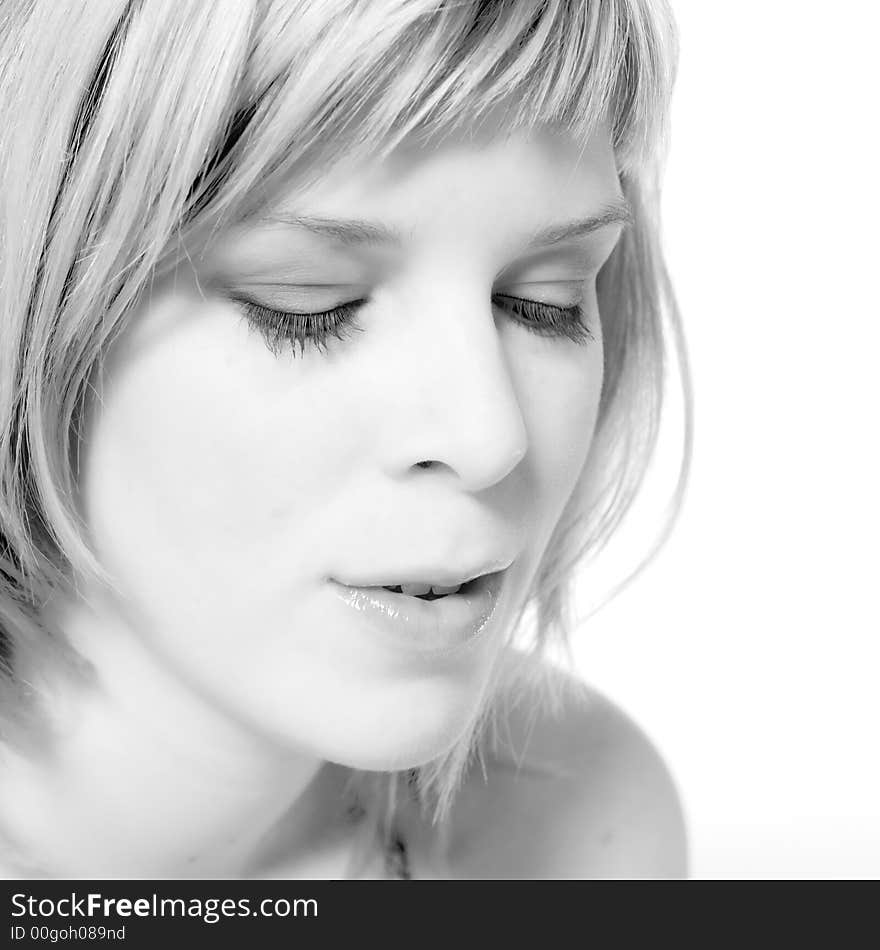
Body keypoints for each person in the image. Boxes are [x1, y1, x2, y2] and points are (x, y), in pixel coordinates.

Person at [0, 0, 689, 879]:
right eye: (311, 306)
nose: (489, 437)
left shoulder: (565, 826)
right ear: (35, 317)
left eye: (544, 301)